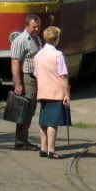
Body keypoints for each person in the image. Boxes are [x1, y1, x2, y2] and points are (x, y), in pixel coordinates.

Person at [33, 25, 71, 159]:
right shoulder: (58, 55)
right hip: (56, 92)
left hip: (42, 92)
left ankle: (43, 148)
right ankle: (51, 150)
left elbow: (36, 74)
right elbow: (63, 75)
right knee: (52, 123)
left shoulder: (38, 55)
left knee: (43, 122)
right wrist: (66, 93)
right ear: (57, 39)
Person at [10, 14, 43, 150]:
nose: (37, 29)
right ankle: (21, 142)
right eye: (34, 26)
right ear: (26, 25)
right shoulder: (21, 40)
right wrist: (18, 84)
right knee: (25, 110)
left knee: (30, 109)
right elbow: (15, 62)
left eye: (38, 26)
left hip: (34, 78)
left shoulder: (36, 38)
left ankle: (22, 140)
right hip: (26, 78)